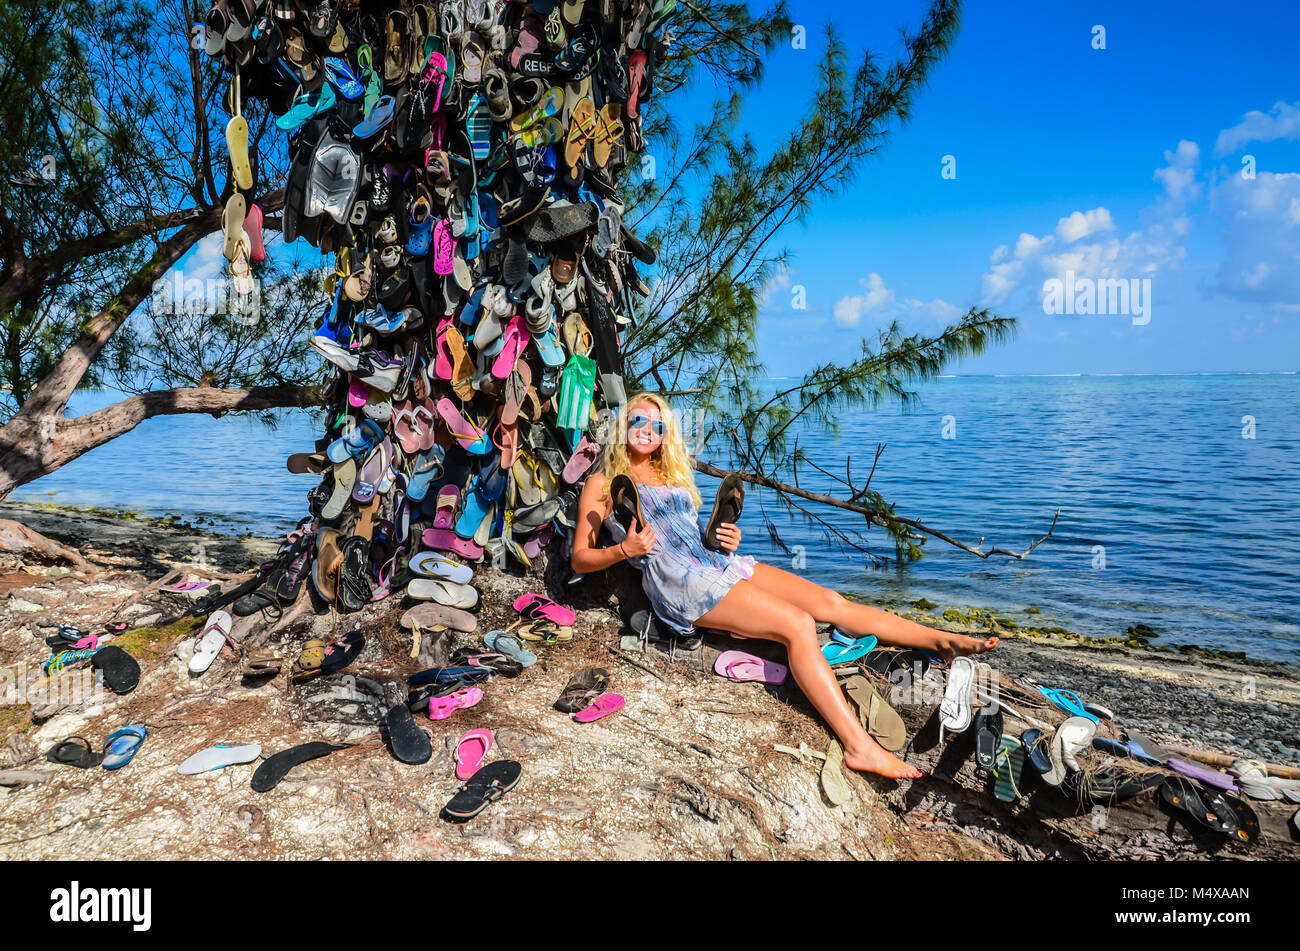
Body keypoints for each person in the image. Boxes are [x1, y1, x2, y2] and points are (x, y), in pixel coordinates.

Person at [571, 391, 998, 779]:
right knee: (798, 624)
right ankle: (859, 746)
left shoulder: (675, 480)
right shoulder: (603, 484)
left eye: (658, 425)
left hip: (715, 563)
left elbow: (694, 538)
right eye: (639, 422)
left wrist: (724, 538)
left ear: (666, 434)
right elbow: (580, 559)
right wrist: (624, 550)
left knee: (831, 602)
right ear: (623, 428)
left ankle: (941, 640)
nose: (648, 431)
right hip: (679, 582)